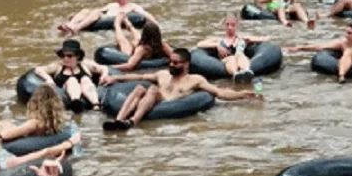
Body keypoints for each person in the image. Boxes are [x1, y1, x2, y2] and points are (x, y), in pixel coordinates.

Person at [100, 49, 262, 131]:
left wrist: (243, 95)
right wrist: (116, 78)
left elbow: (219, 92)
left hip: (171, 106)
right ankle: (118, 121)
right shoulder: (162, 74)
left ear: (186, 64)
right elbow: (137, 76)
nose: (172, 65)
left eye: (176, 63)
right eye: (171, 62)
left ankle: (132, 122)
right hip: (155, 101)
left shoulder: (195, 80)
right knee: (140, 87)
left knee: (152, 90)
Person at [0, 85, 76, 144]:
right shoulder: (57, 121)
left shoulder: (34, 123)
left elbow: (4, 136)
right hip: (15, 134)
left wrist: (4, 126)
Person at [285, 21, 352, 83]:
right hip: (346, 61)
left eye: (349, 33)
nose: (346, 35)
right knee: (349, 51)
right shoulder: (343, 44)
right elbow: (321, 47)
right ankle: (341, 76)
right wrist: (300, 48)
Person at [32, 40, 107, 110]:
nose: (65, 58)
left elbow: (103, 68)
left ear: (77, 56)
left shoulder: (85, 64)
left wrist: (104, 76)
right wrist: (49, 79)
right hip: (68, 90)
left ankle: (96, 104)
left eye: (69, 56)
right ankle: (76, 102)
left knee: (85, 79)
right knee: (72, 80)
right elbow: (38, 69)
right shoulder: (58, 66)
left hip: (87, 87)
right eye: (63, 55)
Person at [196, 12, 271, 82]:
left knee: (240, 55)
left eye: (233, 25)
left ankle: (247, 71)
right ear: (224, 25)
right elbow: (199, 44)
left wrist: (255, 39)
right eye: (227, 24)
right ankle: (236, 74)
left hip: (240, 58)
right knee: (232, 58)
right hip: (226, 60)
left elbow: (264, 39)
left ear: (236, 25)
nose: (230, 28)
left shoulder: (243, 39)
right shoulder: (218, 40)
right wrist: (216, 45)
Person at [57, 0, 158, 36]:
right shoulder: (112, 5)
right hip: (99, 19)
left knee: (97, 12)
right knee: (86, 10)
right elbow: (94, 11)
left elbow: (145, 14)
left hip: (110, 23)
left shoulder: (133, 7)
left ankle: (76, 29)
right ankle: (70, 25)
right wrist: (76, 15)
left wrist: (156, 25)